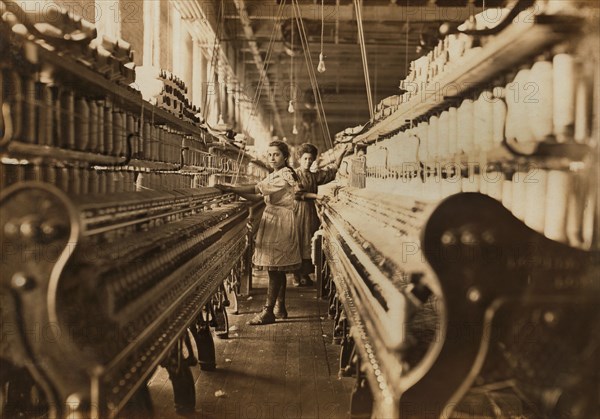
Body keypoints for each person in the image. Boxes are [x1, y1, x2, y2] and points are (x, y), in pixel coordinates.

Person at [215, 140, 302, 325]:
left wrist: (231, 187)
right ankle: (280, 308)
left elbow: (256, 188)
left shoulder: (285, 175)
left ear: (285, 157)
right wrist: (237, 193)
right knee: (278, 267)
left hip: (280, 221)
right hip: (274, 218)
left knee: (274, 267)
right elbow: (257, 196)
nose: (272, 158)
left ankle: (268, 311)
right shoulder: (274, 174)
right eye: (269, 154)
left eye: (276, 154)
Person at [291, 143, 350, 287]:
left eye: (310, 159)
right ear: (300, 159)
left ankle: (304, 273)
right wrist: (317, 197)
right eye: (305, 158)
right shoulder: (294, 174)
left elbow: (330, 172)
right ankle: (296, 275)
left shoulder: (313, 176)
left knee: (309, 239)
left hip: (310, 211)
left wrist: (342, 153)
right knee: (298, 239)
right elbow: (297, 194)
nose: (308, 162)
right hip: (298, 210)